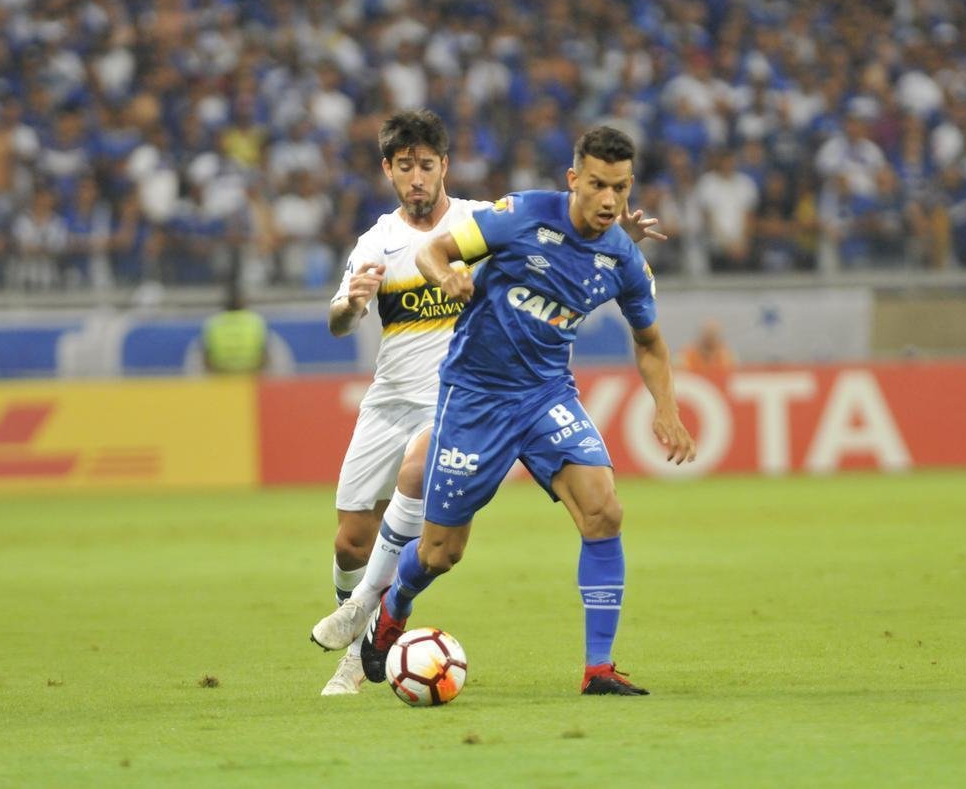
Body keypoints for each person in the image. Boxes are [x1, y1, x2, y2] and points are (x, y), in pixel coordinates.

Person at [320, 125, 696, 696]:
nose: (608, 200)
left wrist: (666, 406)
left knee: (605, 512)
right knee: (442, 551)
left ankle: (598, 668)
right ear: (574, 180)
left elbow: (649, 341)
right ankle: (391, 608)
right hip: (474, 395)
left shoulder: (622, 258)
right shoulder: (521, 215)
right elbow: (435, 248)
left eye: (619, 188)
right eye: (596, 185)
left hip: (546, 395)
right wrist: (445, 274)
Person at [201, 281, 268, 374]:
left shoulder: (213, 323)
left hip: (221, 376)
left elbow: (206, 357)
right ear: (244, 302)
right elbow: (264, 355)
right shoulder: (255, 321)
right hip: (250, 375)